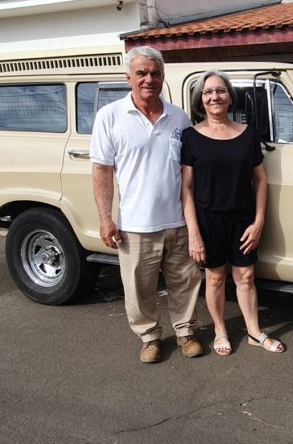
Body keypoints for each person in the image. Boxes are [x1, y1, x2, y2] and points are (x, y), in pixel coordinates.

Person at [90, 46, 204, 363]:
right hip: (136, 224)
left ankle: (186, 333)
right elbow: (102, 170)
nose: (148, 79)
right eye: (141, 73)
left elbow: (188, 171)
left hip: (178, 221)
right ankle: (149, 337)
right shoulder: (110, 116)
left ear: (163, 77)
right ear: (128, 77)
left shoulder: (179, 117)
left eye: (155, 73)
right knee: (139, 288)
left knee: (185, 282)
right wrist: (105, 218)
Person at [180, 70, 284, 356]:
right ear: (200, 99)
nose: (215, 96)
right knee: (214, 278)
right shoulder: (191, 137)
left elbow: (260, 180)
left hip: (243, 218)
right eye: (208, 92)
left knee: (246, 277)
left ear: (229, 96)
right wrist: (193, 233)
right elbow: (186, 188)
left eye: (220, 90)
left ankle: (254, 332)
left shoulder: (247, 134)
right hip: (208, 219)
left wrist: (259, 221)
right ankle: (220, 330)